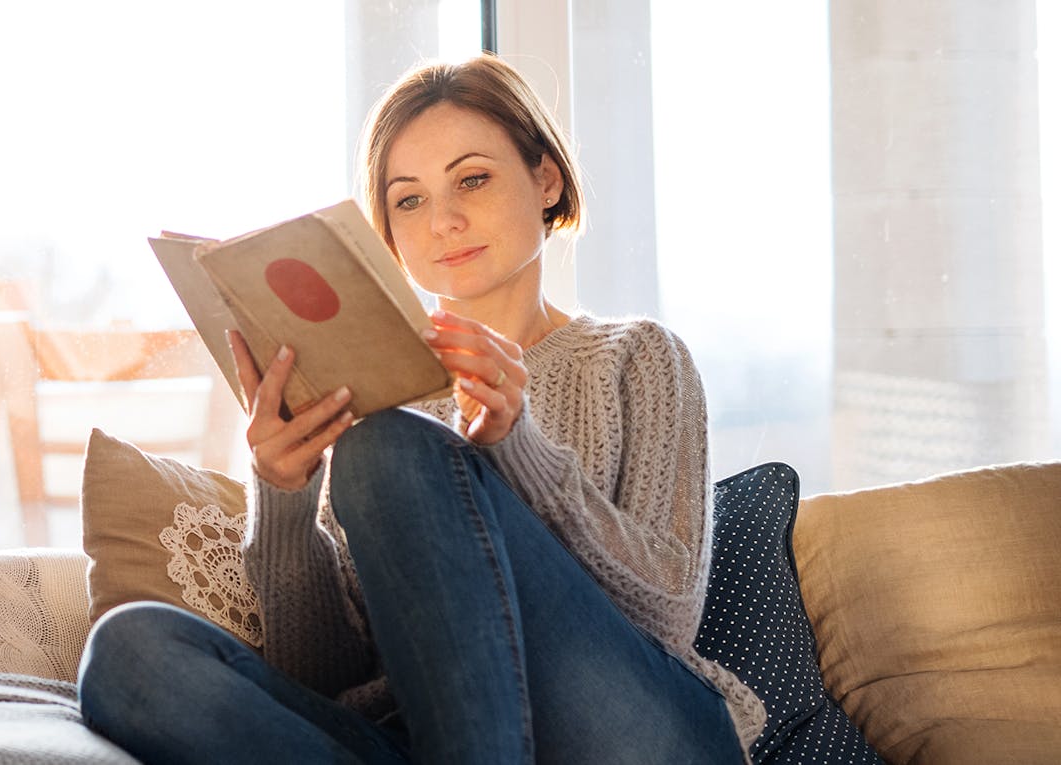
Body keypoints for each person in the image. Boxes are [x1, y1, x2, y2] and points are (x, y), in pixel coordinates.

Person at [75, 54, 764, 764]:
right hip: (429, 738)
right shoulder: (369, 397)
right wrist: (286, 496)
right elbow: (327, 676)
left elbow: (669, 611)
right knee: (129, 652)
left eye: (473, 178)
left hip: (638, 731)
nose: (445, 220)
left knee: (389, 448)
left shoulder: (639, 356)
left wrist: (515, 447)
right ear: (388, 234)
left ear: (545, 178)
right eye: (409, 200)